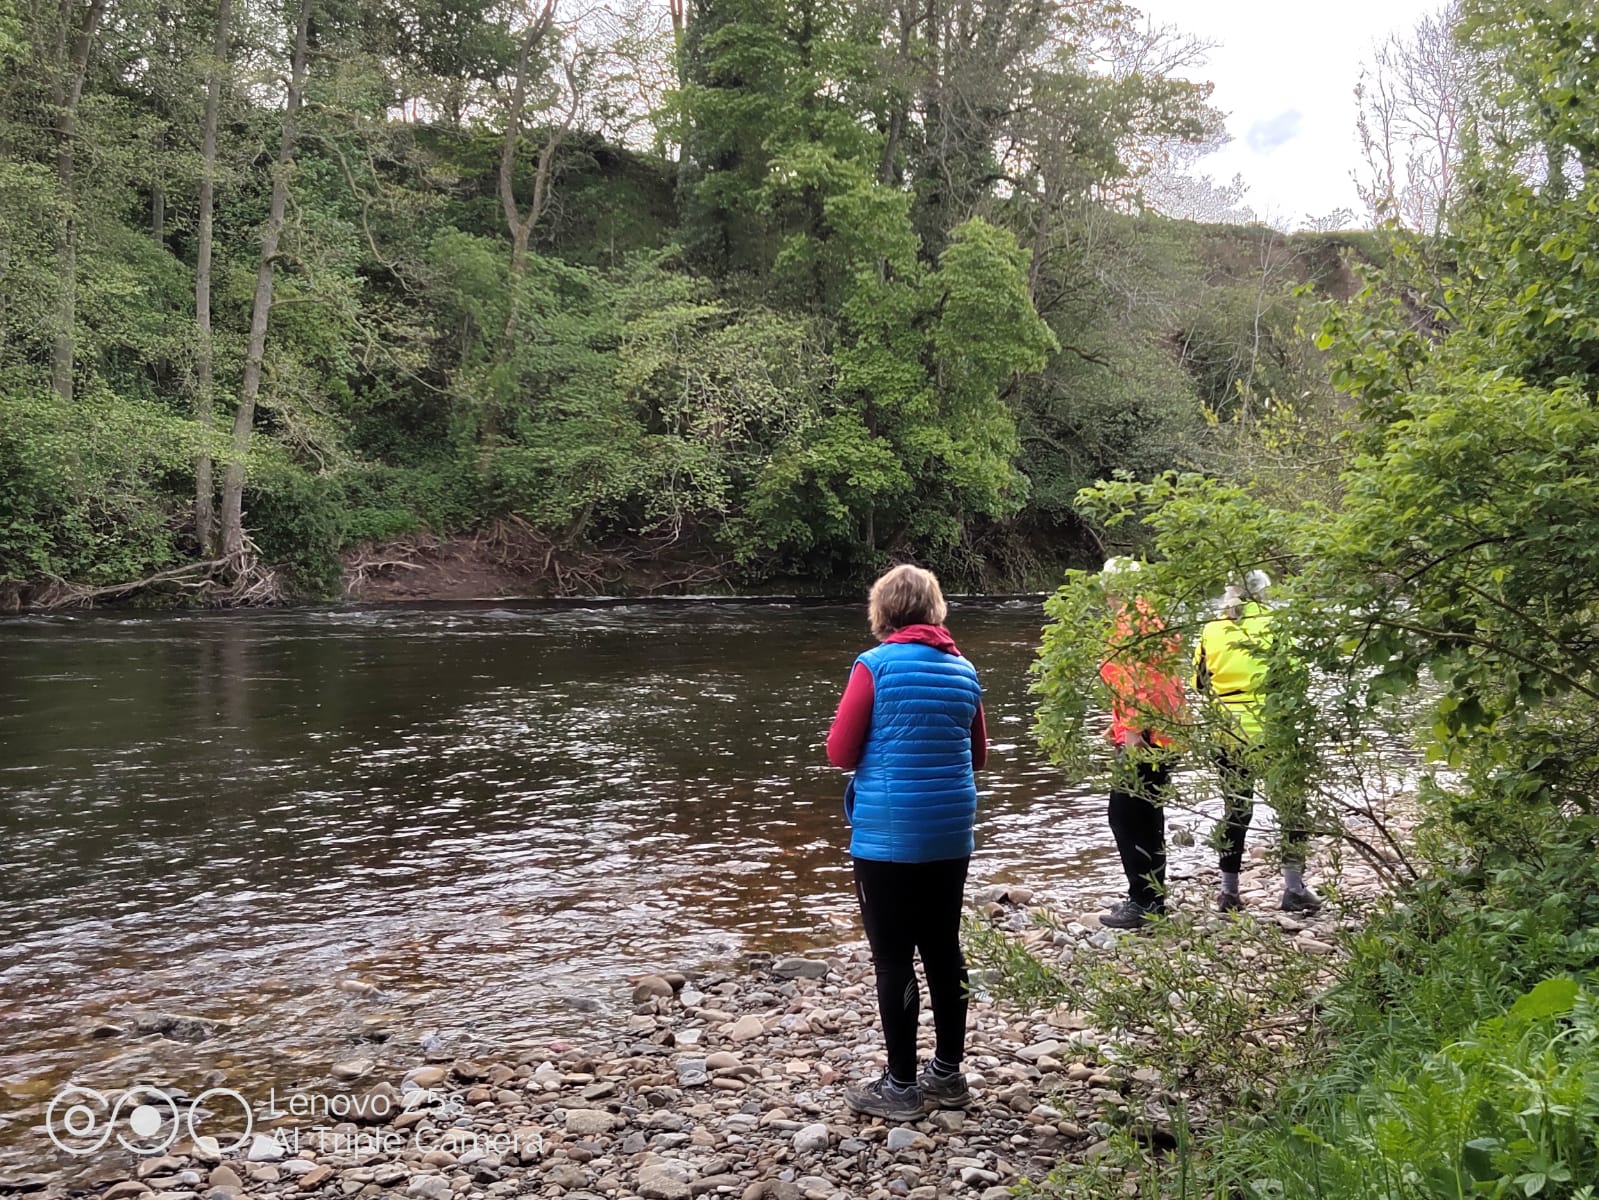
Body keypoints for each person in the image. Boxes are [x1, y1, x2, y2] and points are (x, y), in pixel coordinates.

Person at [825, 563, 987, 1122]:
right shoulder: (964, 668)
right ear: (935, 608)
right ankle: (948, 1073)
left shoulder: (873, 666)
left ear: (884, 611)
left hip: (888, 835)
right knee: (944, 949)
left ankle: (900, 1086)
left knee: (894, 958)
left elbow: (841, 752)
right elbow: (979, 756)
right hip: (951, 830)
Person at [1192, 569, 1320, 914]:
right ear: (1263, 593)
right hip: (1274, 731)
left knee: (1236, 811)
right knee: (1292, 809)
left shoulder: (1211, 629)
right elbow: (1295, 677)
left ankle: (1229, 893)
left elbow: (1200, 683)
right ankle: (1293, 889)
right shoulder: (1277, 623)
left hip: (1228, 732)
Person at [1095, 557, 1187, 930]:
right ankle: (1151, 897)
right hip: (1158, 734)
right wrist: (1115, 724)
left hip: (1145, 740)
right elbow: (1159, 680)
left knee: (1126, 816)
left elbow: (1139, 681)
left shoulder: (1133, 623)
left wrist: (1131, 733)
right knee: (1147, 816)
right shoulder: (1149, 618)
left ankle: (1144, 902)